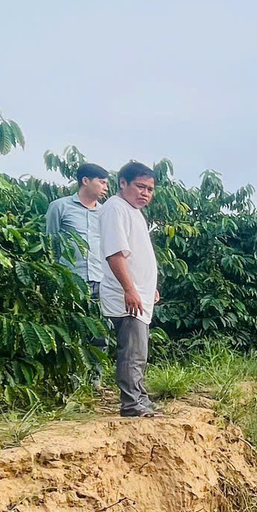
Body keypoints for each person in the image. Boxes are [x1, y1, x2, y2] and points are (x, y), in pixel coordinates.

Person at [100, 161, 161, 417]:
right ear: (122, 183)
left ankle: (140, 399)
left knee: (139, 351)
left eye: (149, 189)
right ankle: (132, 405)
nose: (145, 193)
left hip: (139, 295)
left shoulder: (132, 211)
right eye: (140, 186)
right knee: (133, 352)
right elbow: (115, 255)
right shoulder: (115, 208)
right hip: (127, 297)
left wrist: (148, 288)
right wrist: (130, 289)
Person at [43, 161, 109, 295]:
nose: (106, 188)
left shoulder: (105, 212)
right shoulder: (59, 206)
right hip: (70, 279)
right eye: (102, 182)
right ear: (85, 180)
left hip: (101, 281)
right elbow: (50, 240)